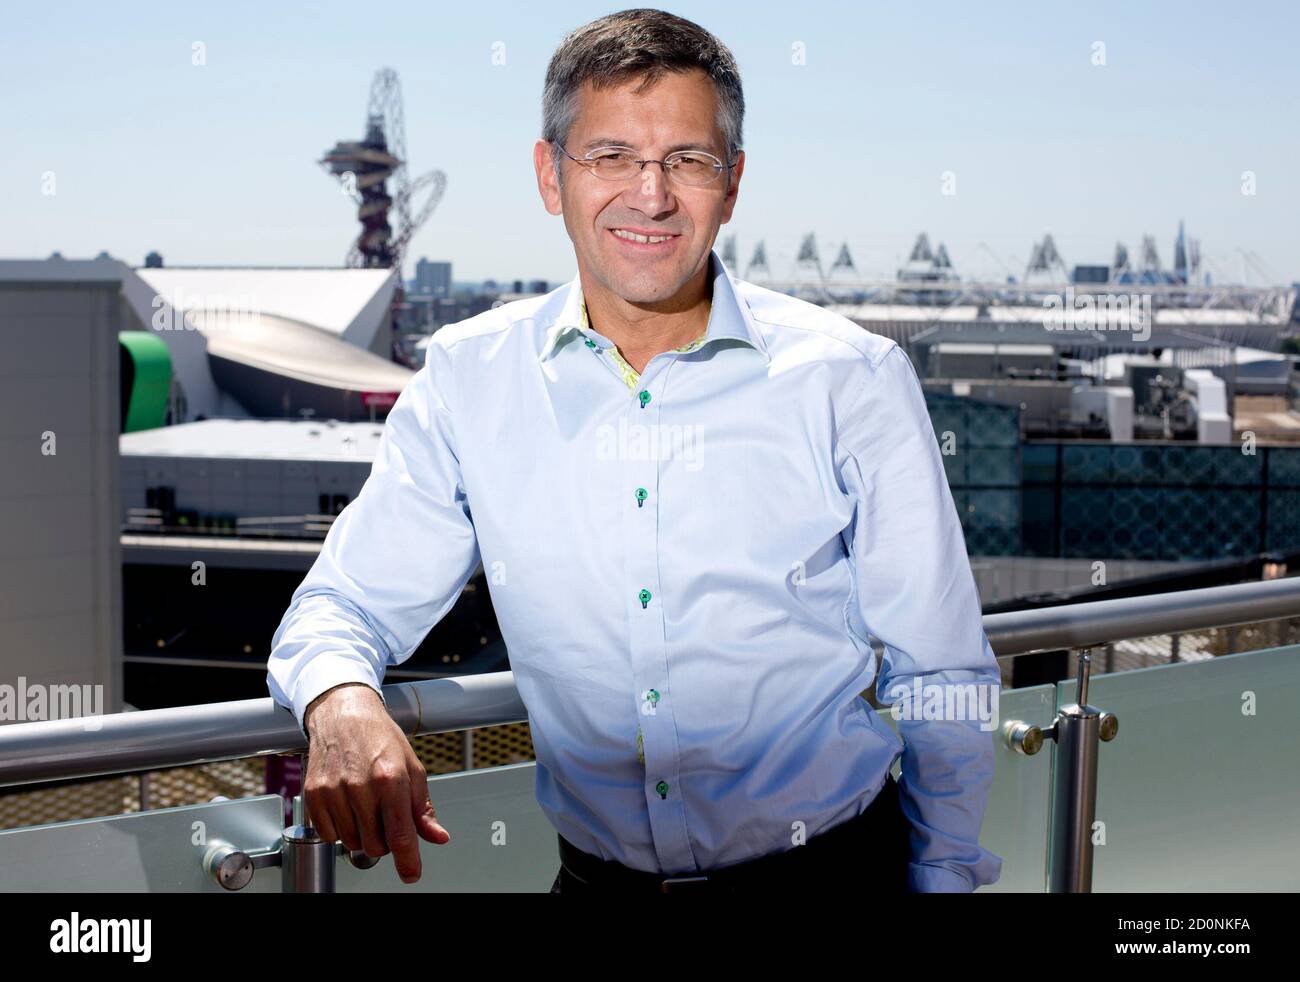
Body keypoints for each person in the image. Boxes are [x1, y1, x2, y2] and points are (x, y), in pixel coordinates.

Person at [267, 7, 1003, 894]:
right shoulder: (470, 381)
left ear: (731, 184)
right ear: (551, 175)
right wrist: (340, 698)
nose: (649, 195)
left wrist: (946, 878)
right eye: (610, 156)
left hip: (837, 874)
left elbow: (941, 671)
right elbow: (342, 604)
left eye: (686, 161)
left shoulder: (851, 379)